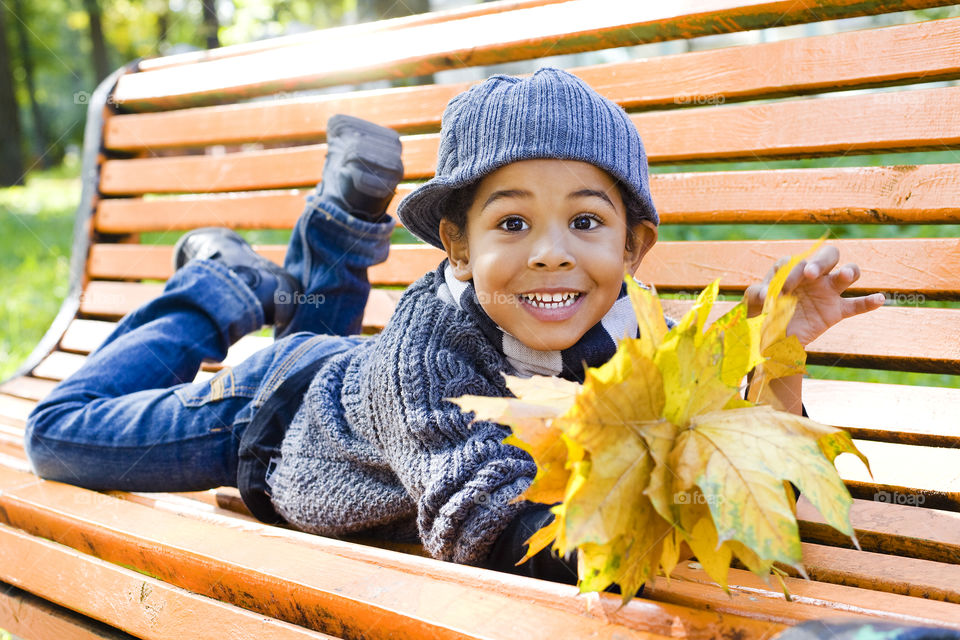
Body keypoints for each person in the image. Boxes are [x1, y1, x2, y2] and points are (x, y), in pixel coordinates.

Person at [24, 68, 885, 590]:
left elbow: (760, 497)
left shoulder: (630, 347)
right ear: (456, 247)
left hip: (352, 392)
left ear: (634, 248)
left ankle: (331, 235)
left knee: (328, 342)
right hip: (270, 420)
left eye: (586, 223)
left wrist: (779, 352)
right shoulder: (425, 357)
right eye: (512, 225)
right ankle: (216, 289)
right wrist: (638, 536)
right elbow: (477, 525)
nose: (553, 255)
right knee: (56, 437)